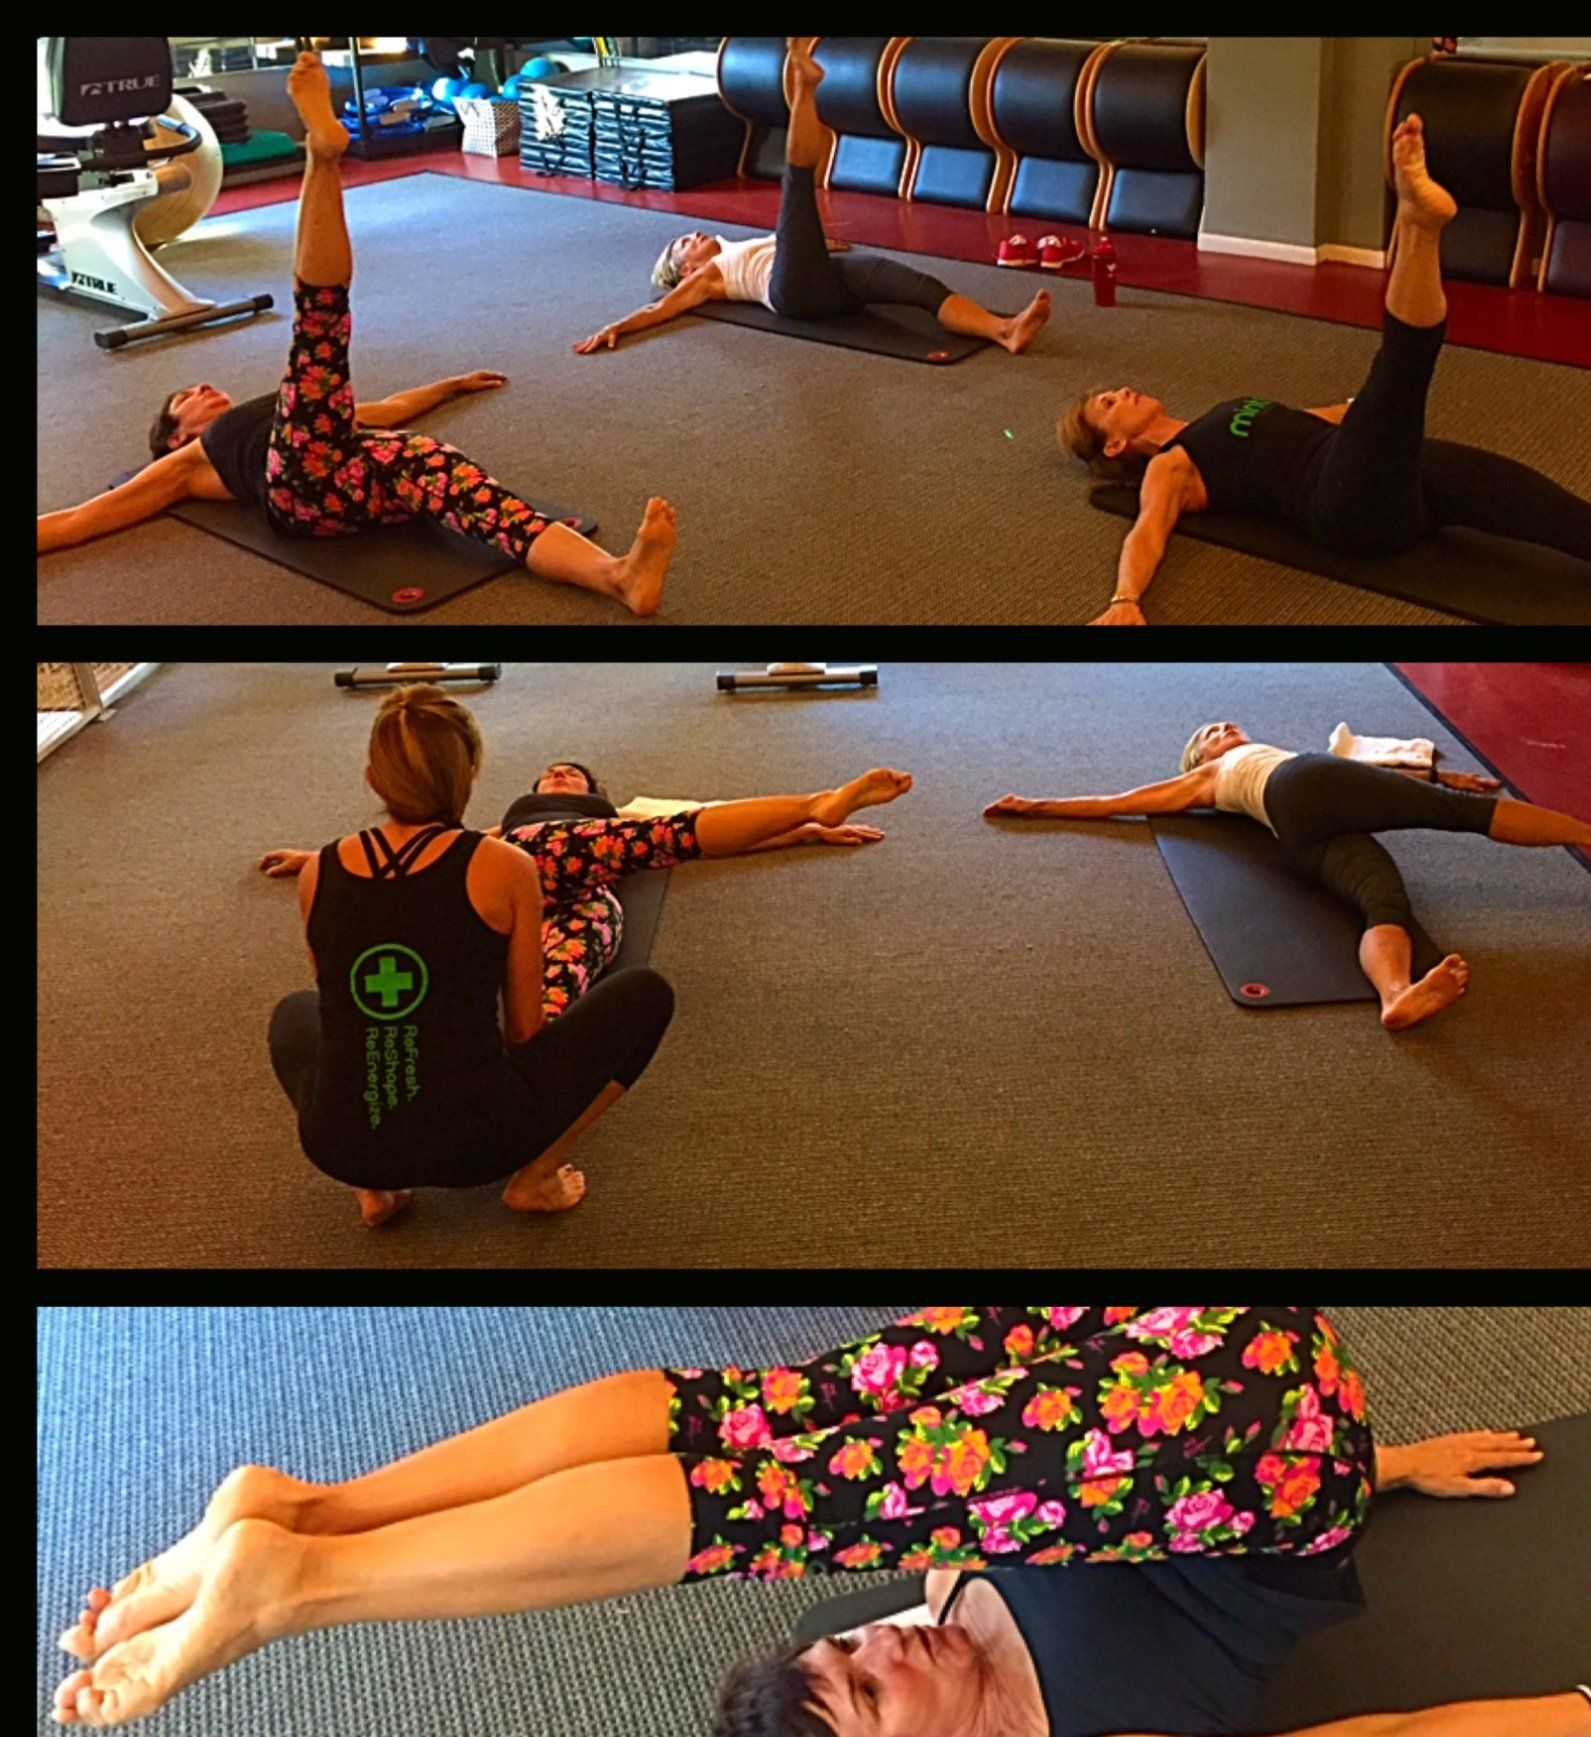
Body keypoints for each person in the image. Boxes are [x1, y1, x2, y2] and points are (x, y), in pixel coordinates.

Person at [50, 1306, 1591, 1737]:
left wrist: (1390, 1465)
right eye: (871, 1690)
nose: (879, 1638)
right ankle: (304, 1584)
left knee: (767, 1430)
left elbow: (1090, 1456)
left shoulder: (955, 1587)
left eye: (843, 1646)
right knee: (780, 1482)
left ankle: (314, 1512)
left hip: (1242, 1400)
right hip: (1272, 1441)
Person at [1057, 115, 1591, 627]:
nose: (1122, 390)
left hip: (1379, 468)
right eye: (1107, 403)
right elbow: (1149, 533)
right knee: (1402, 365)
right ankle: (1415, 223)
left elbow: (1332, 419)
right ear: (1117, 446)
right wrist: (1125, 600)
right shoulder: (1170, 464)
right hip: (1345, 511)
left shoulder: (1217, 415)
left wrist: (1364, 411)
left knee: (1575, 524)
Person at [35, 51, 680, 620]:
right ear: (177, 436)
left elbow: (380, 411)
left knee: (466, 487)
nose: (204, 385)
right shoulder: (192, 463)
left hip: (363, 469)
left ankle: (617, 577)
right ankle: (323, 156)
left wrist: (452, 383)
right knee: (319, 332)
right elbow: (80, 519)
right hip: (303, 495)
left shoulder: (286, 414)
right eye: (186, 397)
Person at [260, 688, 914, 1225]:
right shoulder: (505, 861)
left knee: (296, 1013)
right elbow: (525, 1032)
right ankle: (536, 1177)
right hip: (481, 1146)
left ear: (373, 779)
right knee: (645, 991)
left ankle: (377, 1186)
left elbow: (346, 1009)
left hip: (339, 1143)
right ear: (474, 776)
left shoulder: (322, 871)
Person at [986, 723, 1591, 1032]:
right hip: (1302, 784)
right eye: (1209, 733)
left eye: (1224, 724)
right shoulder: (1218, 773)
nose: (1222, 728)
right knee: (1463, 817)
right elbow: (1120, 802)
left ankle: (1396, 995)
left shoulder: (1231, 783)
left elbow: (1367, 786)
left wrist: (1439, 774)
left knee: (1382, 901)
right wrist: (1037, 804)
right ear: (1203, 758)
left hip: (1298, 841)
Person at [261, 760, 890, 1023]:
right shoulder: (506, 830)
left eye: (575, 773)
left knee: (572, 959)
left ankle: (525, 1060)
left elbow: (695, 834)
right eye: (553, 772)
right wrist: (316, 858)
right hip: (508, 878)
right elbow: (417, 846)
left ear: (592, 792)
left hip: (584, 883)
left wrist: (804, 832)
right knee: (477, 955)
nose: (563, 773)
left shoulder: (616, 820)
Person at [573, 41, 1051, 359]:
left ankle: (1002, 330)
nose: (692, 236)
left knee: (917, 286)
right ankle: (804, 86)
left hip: (822, 276)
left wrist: (825, 251)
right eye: (682, 246)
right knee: (798, 187)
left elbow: (796, 244)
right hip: (794, 294)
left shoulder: (738, 248)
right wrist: (619, 325)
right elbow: (660, 310)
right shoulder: (711, 280)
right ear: (689, 271)